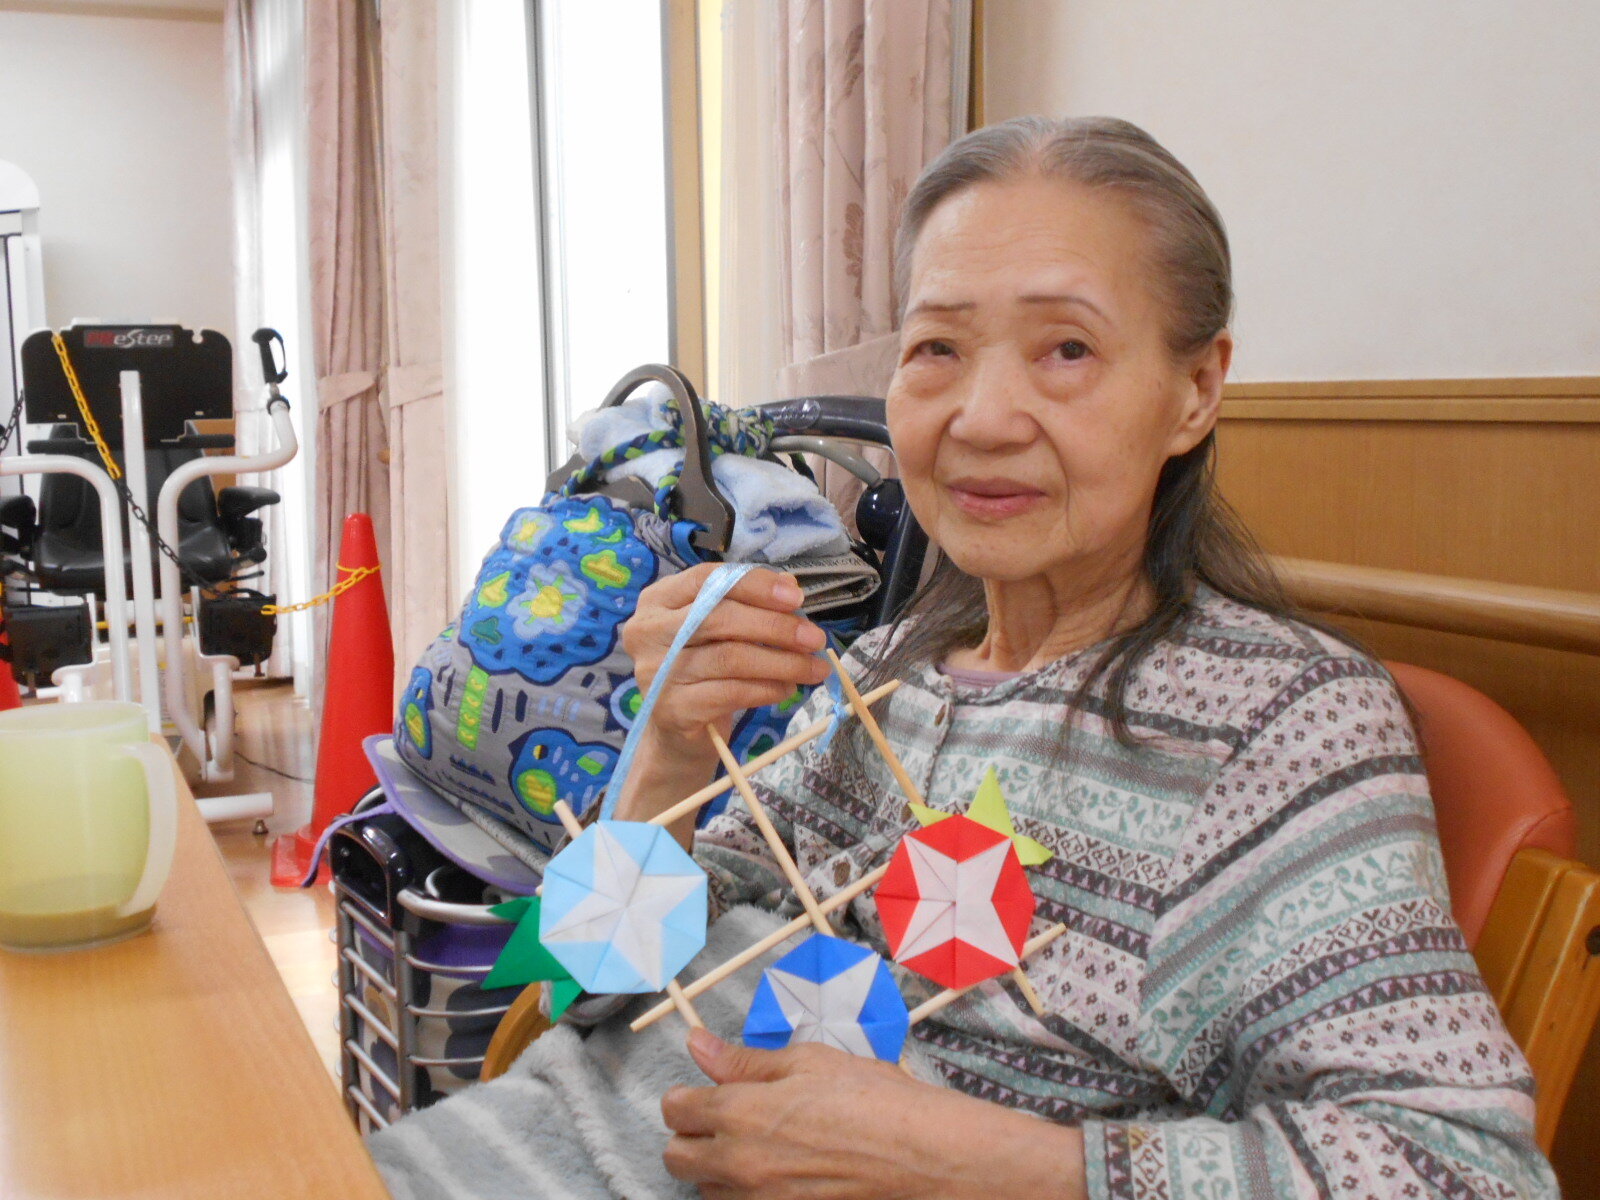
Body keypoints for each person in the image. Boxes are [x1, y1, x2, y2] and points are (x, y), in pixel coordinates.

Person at [371, 117, 1556, 1200]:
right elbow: (586, 984)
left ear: (1194, 391)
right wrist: (668, 752)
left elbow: (1462, 1175)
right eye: (936, 346)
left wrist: (969, 1158)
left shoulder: (1282, 724)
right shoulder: (877, 675)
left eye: (1066, 350)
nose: (981, 418)